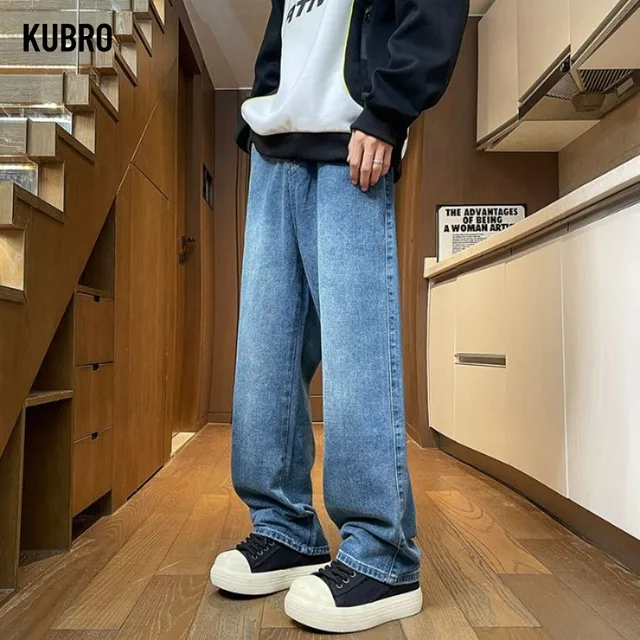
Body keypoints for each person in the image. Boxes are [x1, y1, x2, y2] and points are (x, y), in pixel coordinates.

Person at [210, 0, 468, 632]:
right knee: (264, 354)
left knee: (357, 355)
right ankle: (284, 528)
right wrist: (261, 109)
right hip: (275, 147)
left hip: (354, 139)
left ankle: (383, 554)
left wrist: (388, 110)